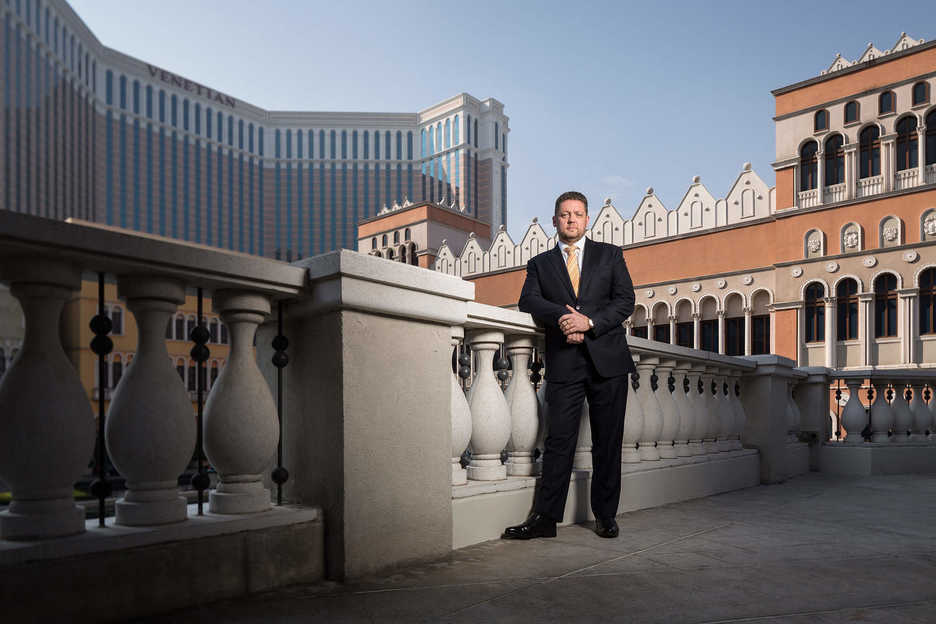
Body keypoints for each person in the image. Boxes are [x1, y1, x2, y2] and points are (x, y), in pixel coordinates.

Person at [503, 191, 635, 540]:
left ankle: (605, 515)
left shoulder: (610, 255)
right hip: (565, 362)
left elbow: (625, 300)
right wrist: (564, 317)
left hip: (607, 360)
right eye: (564, 214)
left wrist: (588, 323)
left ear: (587, 219)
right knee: (559, 441)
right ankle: (545, 518)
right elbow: (528, 300)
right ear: (555, 221)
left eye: (577, 214)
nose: (571, 220)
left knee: (608, 441)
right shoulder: (541, 264)